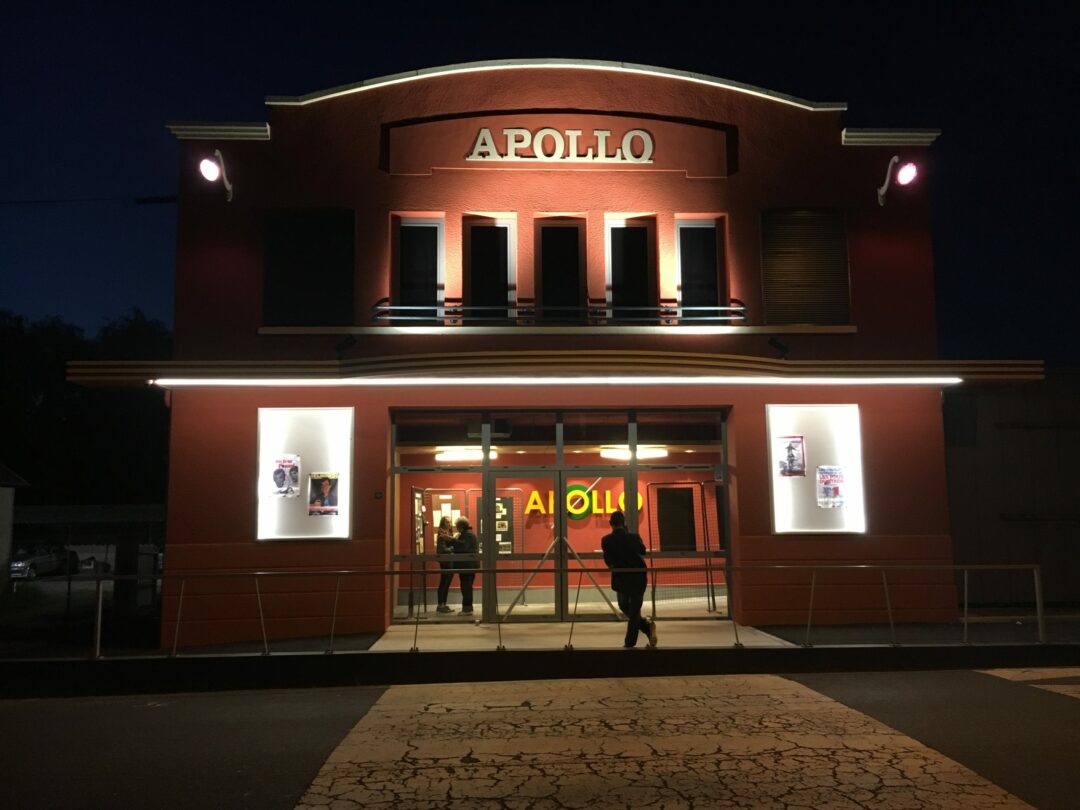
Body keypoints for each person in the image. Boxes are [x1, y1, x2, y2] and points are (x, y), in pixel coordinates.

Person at [601, 510, 657, 648]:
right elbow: (642, 551)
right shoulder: (634, 537)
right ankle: (647, 627)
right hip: (638, 578)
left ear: (610, 523)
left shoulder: (606, 540)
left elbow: (608, 561)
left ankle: (629, 644)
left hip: (621, 579)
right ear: (624, 523)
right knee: (633, 611)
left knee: (625, 607)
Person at [453, 516, 478, 615]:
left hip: (467, 565)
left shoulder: (467, 535)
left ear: (461, 527)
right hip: (469, 565)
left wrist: (452, 540)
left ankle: (467, 609)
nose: (456, 528)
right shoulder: (469, 534)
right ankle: (468, 608)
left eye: (457, 526)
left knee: (466, 587)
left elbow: (463, 547)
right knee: (467, 587)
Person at [435, 516, 456, 613]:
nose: (449, 523)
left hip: (450, 561)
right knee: (444, 583)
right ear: (443, 523)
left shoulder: (448, 533)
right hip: (445, 562)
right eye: (447, 522)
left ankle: (444, 603)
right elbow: (441, 550)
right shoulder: (441, 534)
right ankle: (440, 604)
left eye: (450, 521)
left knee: (447, 583)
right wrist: (452, 548)